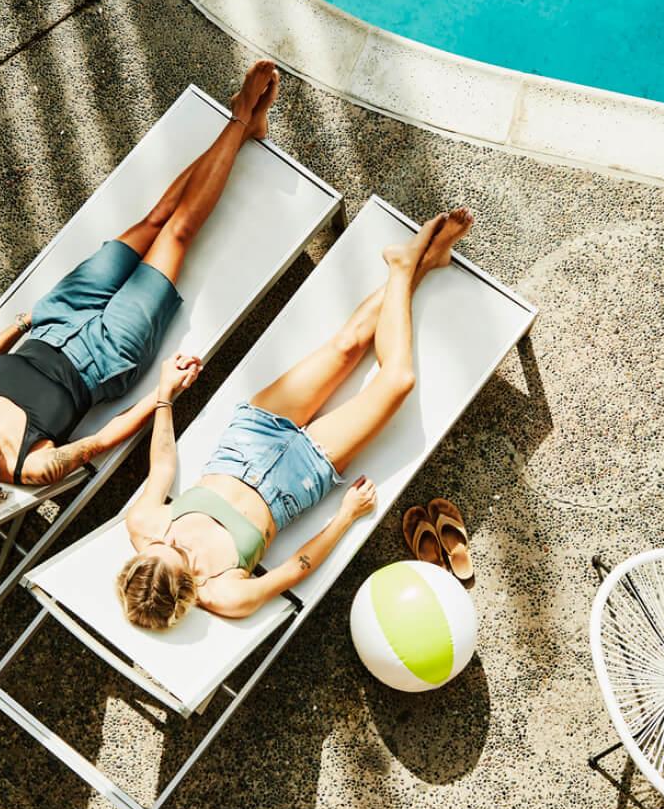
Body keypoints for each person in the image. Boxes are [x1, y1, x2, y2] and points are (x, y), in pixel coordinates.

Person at [0, 62, 282, 514]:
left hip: (56, 318)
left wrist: (23, 322)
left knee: (155, 219)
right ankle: (241, 116)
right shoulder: (30, 466)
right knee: (177, 233)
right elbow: (104, 437)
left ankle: (244, 128)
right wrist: (165, 392)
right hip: (109, 354)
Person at [117, 207, 474, 626]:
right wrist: (346, 516)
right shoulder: (226, 594)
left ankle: (418, 264)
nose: (177, 541)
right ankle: (408, 265)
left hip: (249, 439)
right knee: (398, 381)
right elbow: (295, 568)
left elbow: (162, 467)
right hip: (302, 475)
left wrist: (164, 397)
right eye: (181, 554)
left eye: (165, 544)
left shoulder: (143, 525)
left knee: (346, 345)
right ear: (187, 590)